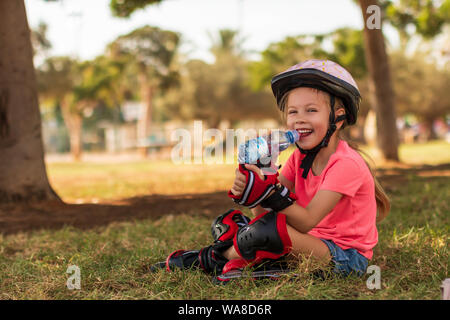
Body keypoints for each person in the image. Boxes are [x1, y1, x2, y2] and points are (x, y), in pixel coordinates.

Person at [151, 59, 390, 279]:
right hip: (312, 242)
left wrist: (271, 192)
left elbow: (305, 221)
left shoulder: (345, 164)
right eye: (293, 112)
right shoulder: (298, 158)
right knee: (232, 224)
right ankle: (245, 256)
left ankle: (210, 259)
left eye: (311, 110)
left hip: (346, 257)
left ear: (338, 118)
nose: (299, 119)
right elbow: (265, 216)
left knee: (266, 234)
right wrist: (255, 183)